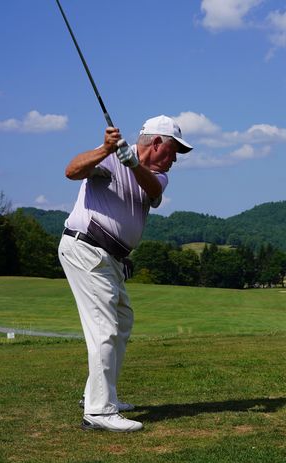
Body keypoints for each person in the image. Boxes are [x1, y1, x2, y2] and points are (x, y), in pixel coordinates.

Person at [58, 115, 192, 432]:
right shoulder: (110, 159)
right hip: (86, 248)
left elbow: (151, 190)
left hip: (112, 259)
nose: (174, 159)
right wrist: (105, 149)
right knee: (104, 327)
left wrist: (132, 163)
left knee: (122, 322)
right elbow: (72, 171)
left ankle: (100, 395)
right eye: (173, 151)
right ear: (156, 142)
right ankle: (99, 412)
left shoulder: (157, 176)